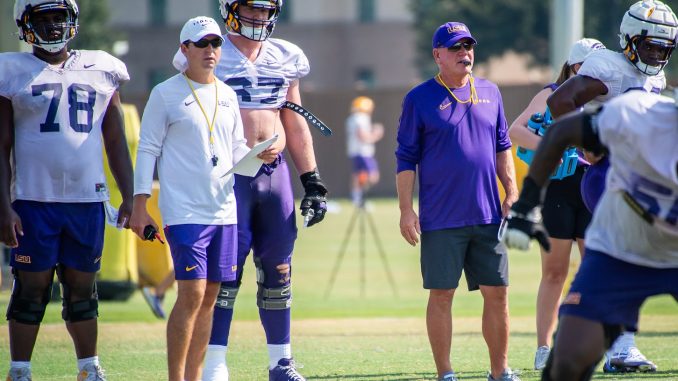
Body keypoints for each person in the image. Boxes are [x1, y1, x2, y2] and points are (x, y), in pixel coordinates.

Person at [173, 1, 328, 380]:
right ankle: (214, 364)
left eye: (265, 10)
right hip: (228, 176)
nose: (259, 17)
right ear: (229, 9)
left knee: (279, 269)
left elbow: (293, 120)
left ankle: (281, 363)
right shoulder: (211, 51)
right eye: (250, 9)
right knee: (224, 275)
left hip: (274, 175)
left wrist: (312, 179)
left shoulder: (286, 55)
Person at [503, 89, 678, 381]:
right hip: (618, 250)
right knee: (568, 361)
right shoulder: (639, 114)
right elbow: (560, 131)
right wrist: (525, 206)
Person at [0, 0, 134, 380]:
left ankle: (88, 368)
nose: (54, 26)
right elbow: (1, 145)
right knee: (31, 289)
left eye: (59, 17)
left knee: (82, 288)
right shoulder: (11, 70)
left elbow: (116, 139)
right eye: (44, 19)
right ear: (25, 24)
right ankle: (20, 370)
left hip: (86, 199)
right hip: (32, 200)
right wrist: (2, 206)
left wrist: (131, 194)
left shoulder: (102, 67)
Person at [546, 0, 677, 372]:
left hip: (635, 178)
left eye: (662, 48)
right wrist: (590, 143)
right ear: (628, 40)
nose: (655, 54)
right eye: (649, 45)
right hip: (606, 175)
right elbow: (560, 101)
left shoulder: (655, 78)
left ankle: (589, 335)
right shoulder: (608, 68)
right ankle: (617, 345)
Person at [395, 22, 520, 381]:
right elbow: (405, 158)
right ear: (437, 55)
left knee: (497, 294)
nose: (464, 53)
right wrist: (406, 209)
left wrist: (510, 191)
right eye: (455, 48)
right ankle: (445, 373)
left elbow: (502, 146)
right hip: (442, 218)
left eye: (468, 46)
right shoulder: (418, 98)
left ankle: (500, 372)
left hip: (488, 215)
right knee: (442, 295)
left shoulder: (491, 91)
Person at [129, 16, 250, 381]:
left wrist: (263, 153)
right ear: (185, 49)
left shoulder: (228, 95)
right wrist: (139, 204)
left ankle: (195, 377)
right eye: (203, 44)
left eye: (215, 44)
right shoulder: (165, 93)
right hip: (184, 211)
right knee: (192, 293)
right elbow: (147, 149)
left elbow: (237, 149)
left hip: (224, 210)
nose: (211, 51)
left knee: (211, 294)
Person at [508, 38, 604, 370]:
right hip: (559, 191)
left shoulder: (608, 97)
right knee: (554, 272)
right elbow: (515, 131)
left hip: (594, 189)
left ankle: (596, 346)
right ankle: (544, 348)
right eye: (588, 69)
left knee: (595, 270)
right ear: (574, 68)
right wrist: (556, 145)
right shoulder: (552, 94)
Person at [346, 96, 384, 207]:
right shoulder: (361, 117)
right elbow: (362, 136)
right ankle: (360, 197)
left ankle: (357, 198)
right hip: (363, 152)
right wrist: (376, 134)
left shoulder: (352, 118)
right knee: (372, 176)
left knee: (358, 175)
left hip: (356, 151)